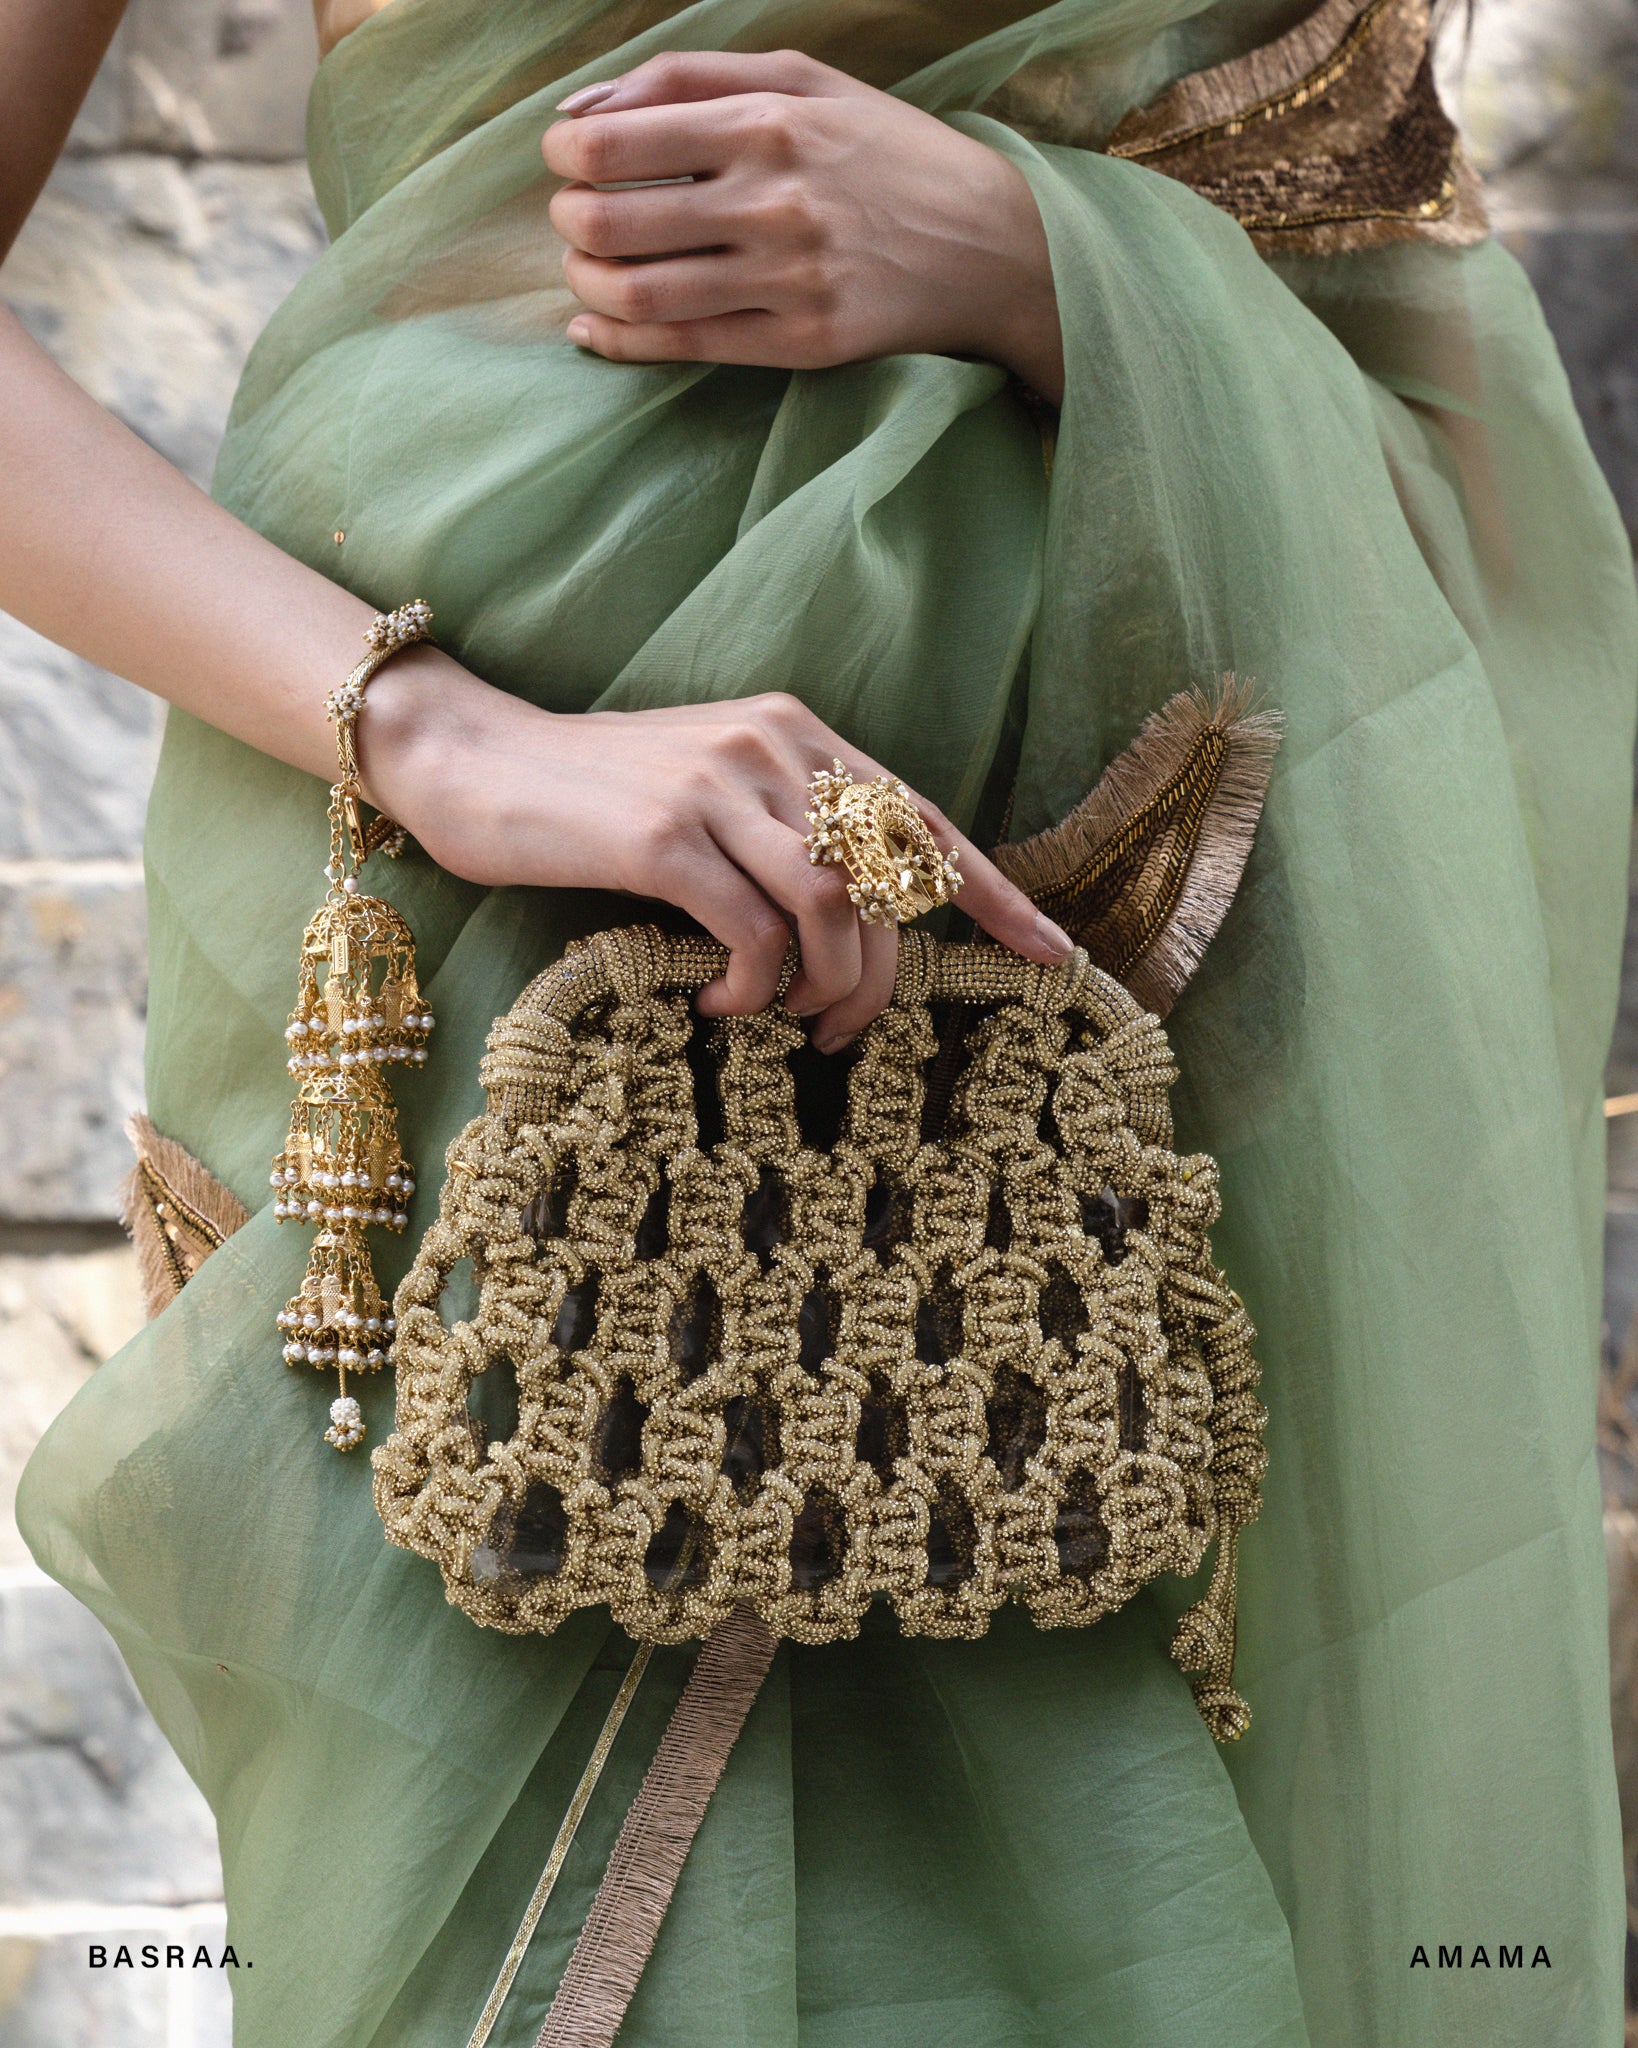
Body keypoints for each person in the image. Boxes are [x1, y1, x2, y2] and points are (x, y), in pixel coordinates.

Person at [9, 0, 1636, 2042]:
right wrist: (439, 734)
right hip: (489, 973)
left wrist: (1044, 261)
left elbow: (1476, 479)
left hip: (1120, 1048)